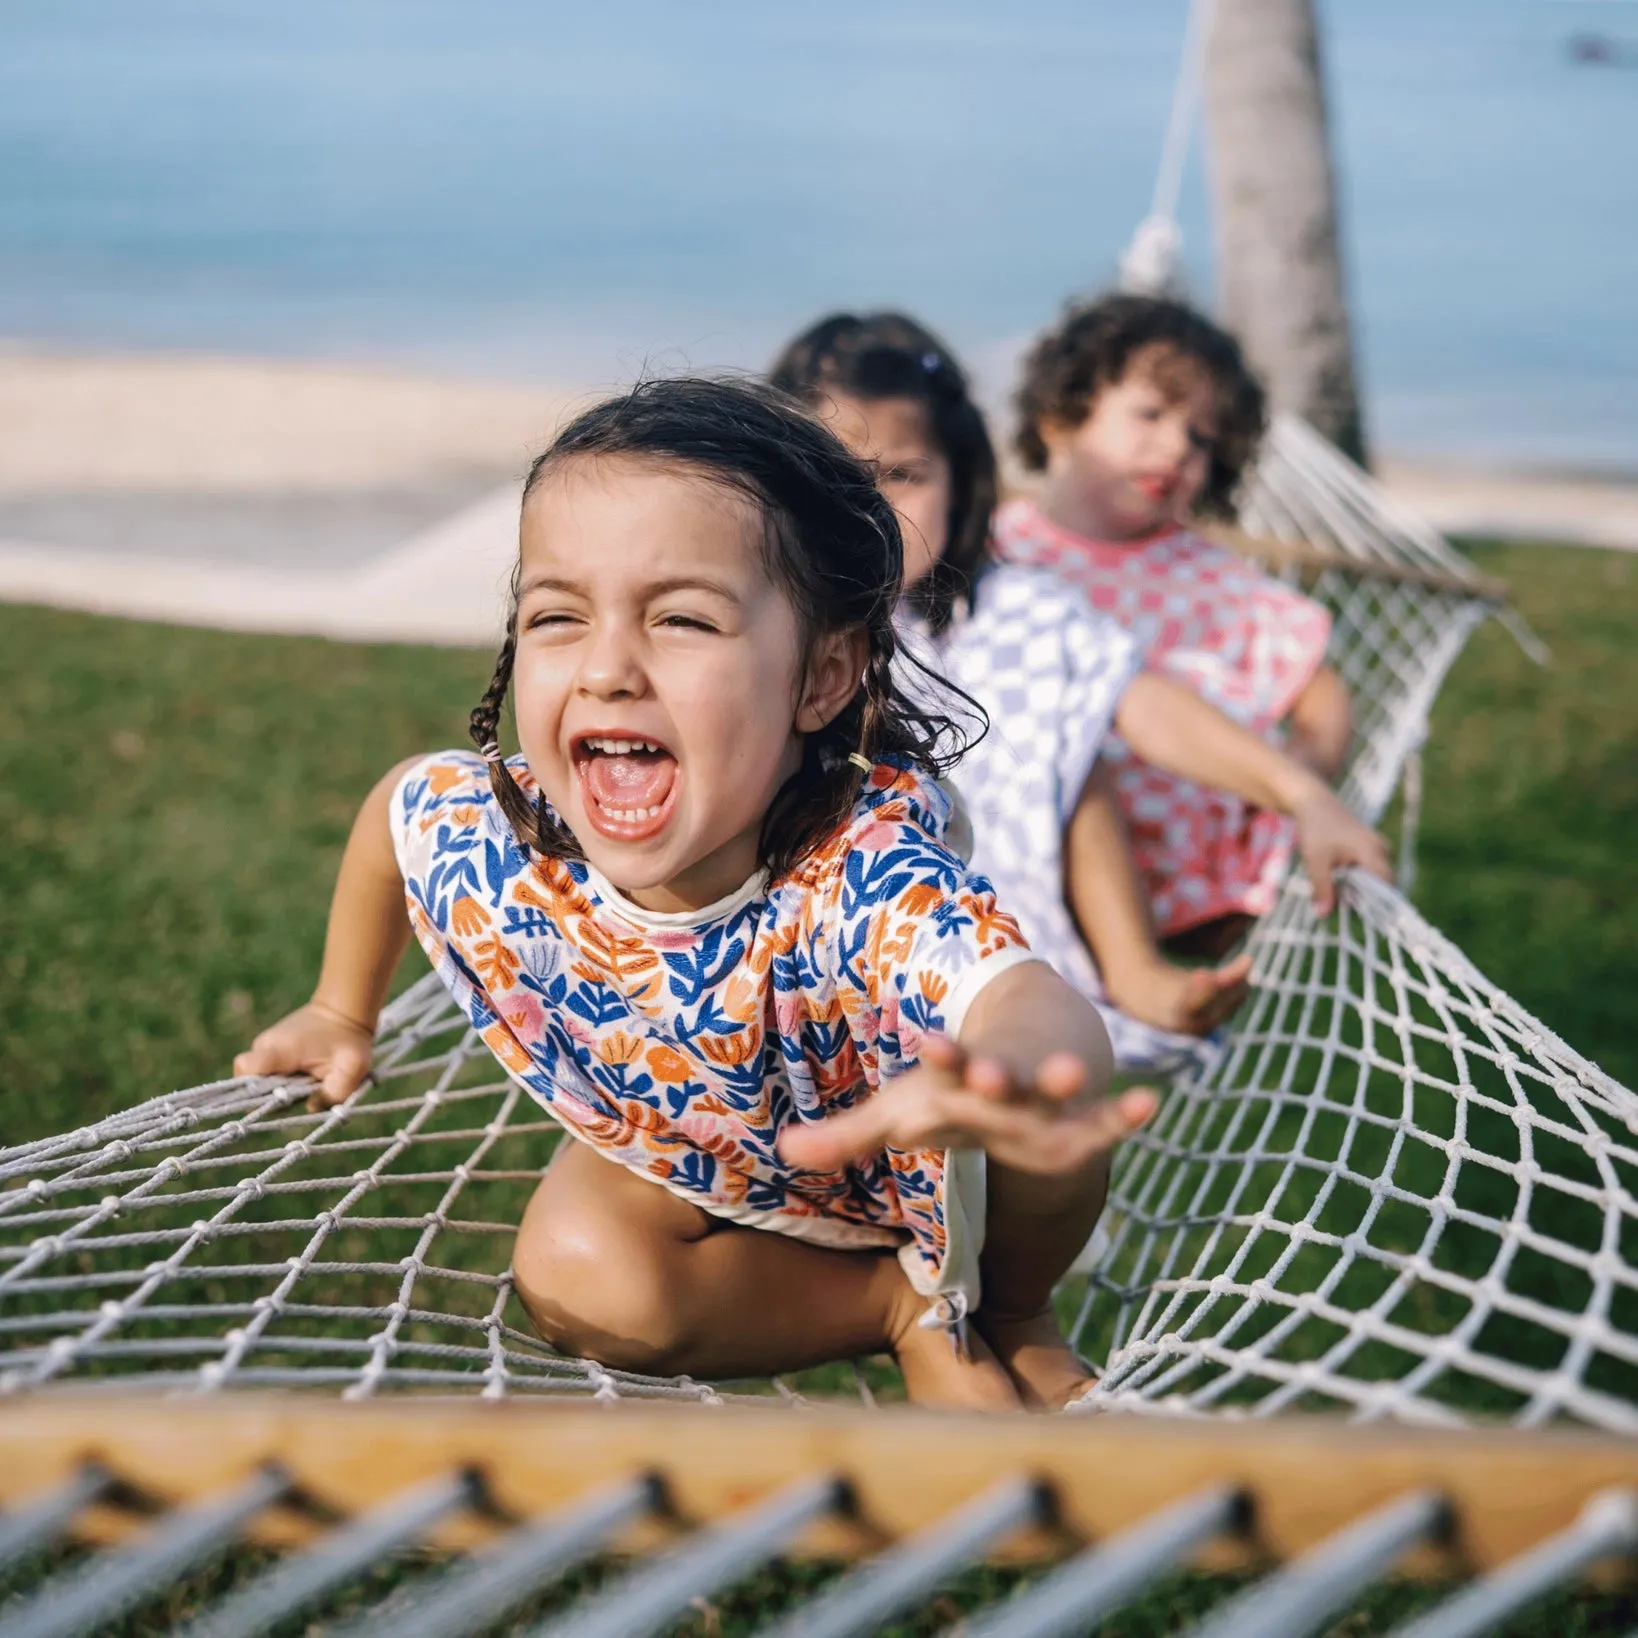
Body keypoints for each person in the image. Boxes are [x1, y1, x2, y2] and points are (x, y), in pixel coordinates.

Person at [234, 376, 1156, 1412]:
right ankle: (893, 1311)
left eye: (680, 619)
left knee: (1048, 1125)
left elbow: (1026, 999)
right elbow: (396, 819)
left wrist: (1010, 1066)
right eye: (557, 617)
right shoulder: (509, 829)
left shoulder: (859, 870)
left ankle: (1011, 1311)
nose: (608, 670)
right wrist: (339, 1009)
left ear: (820, 678)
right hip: (694, 1143)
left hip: (905, 1151)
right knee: (573, 1268)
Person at [771, 313, 1386, 1065]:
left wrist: (1305, 795)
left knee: (1079, 727)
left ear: (961, 481)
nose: (867, 509)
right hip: (792, 922)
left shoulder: (1003, 605)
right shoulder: (760, 618)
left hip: (982, 921)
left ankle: (1134, 972)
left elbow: (1141, 703)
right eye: (834, 479)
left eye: (903, 475)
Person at [1000, 293, 1354, 955]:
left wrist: (1296, 783)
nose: (1175, 447)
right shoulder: (997, 553)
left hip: (1204, 881)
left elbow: (1320, 689)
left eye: (1200, 437)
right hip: (1029, 855)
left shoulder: (1207, 575)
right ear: (1060, 419)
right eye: (1151, 414)